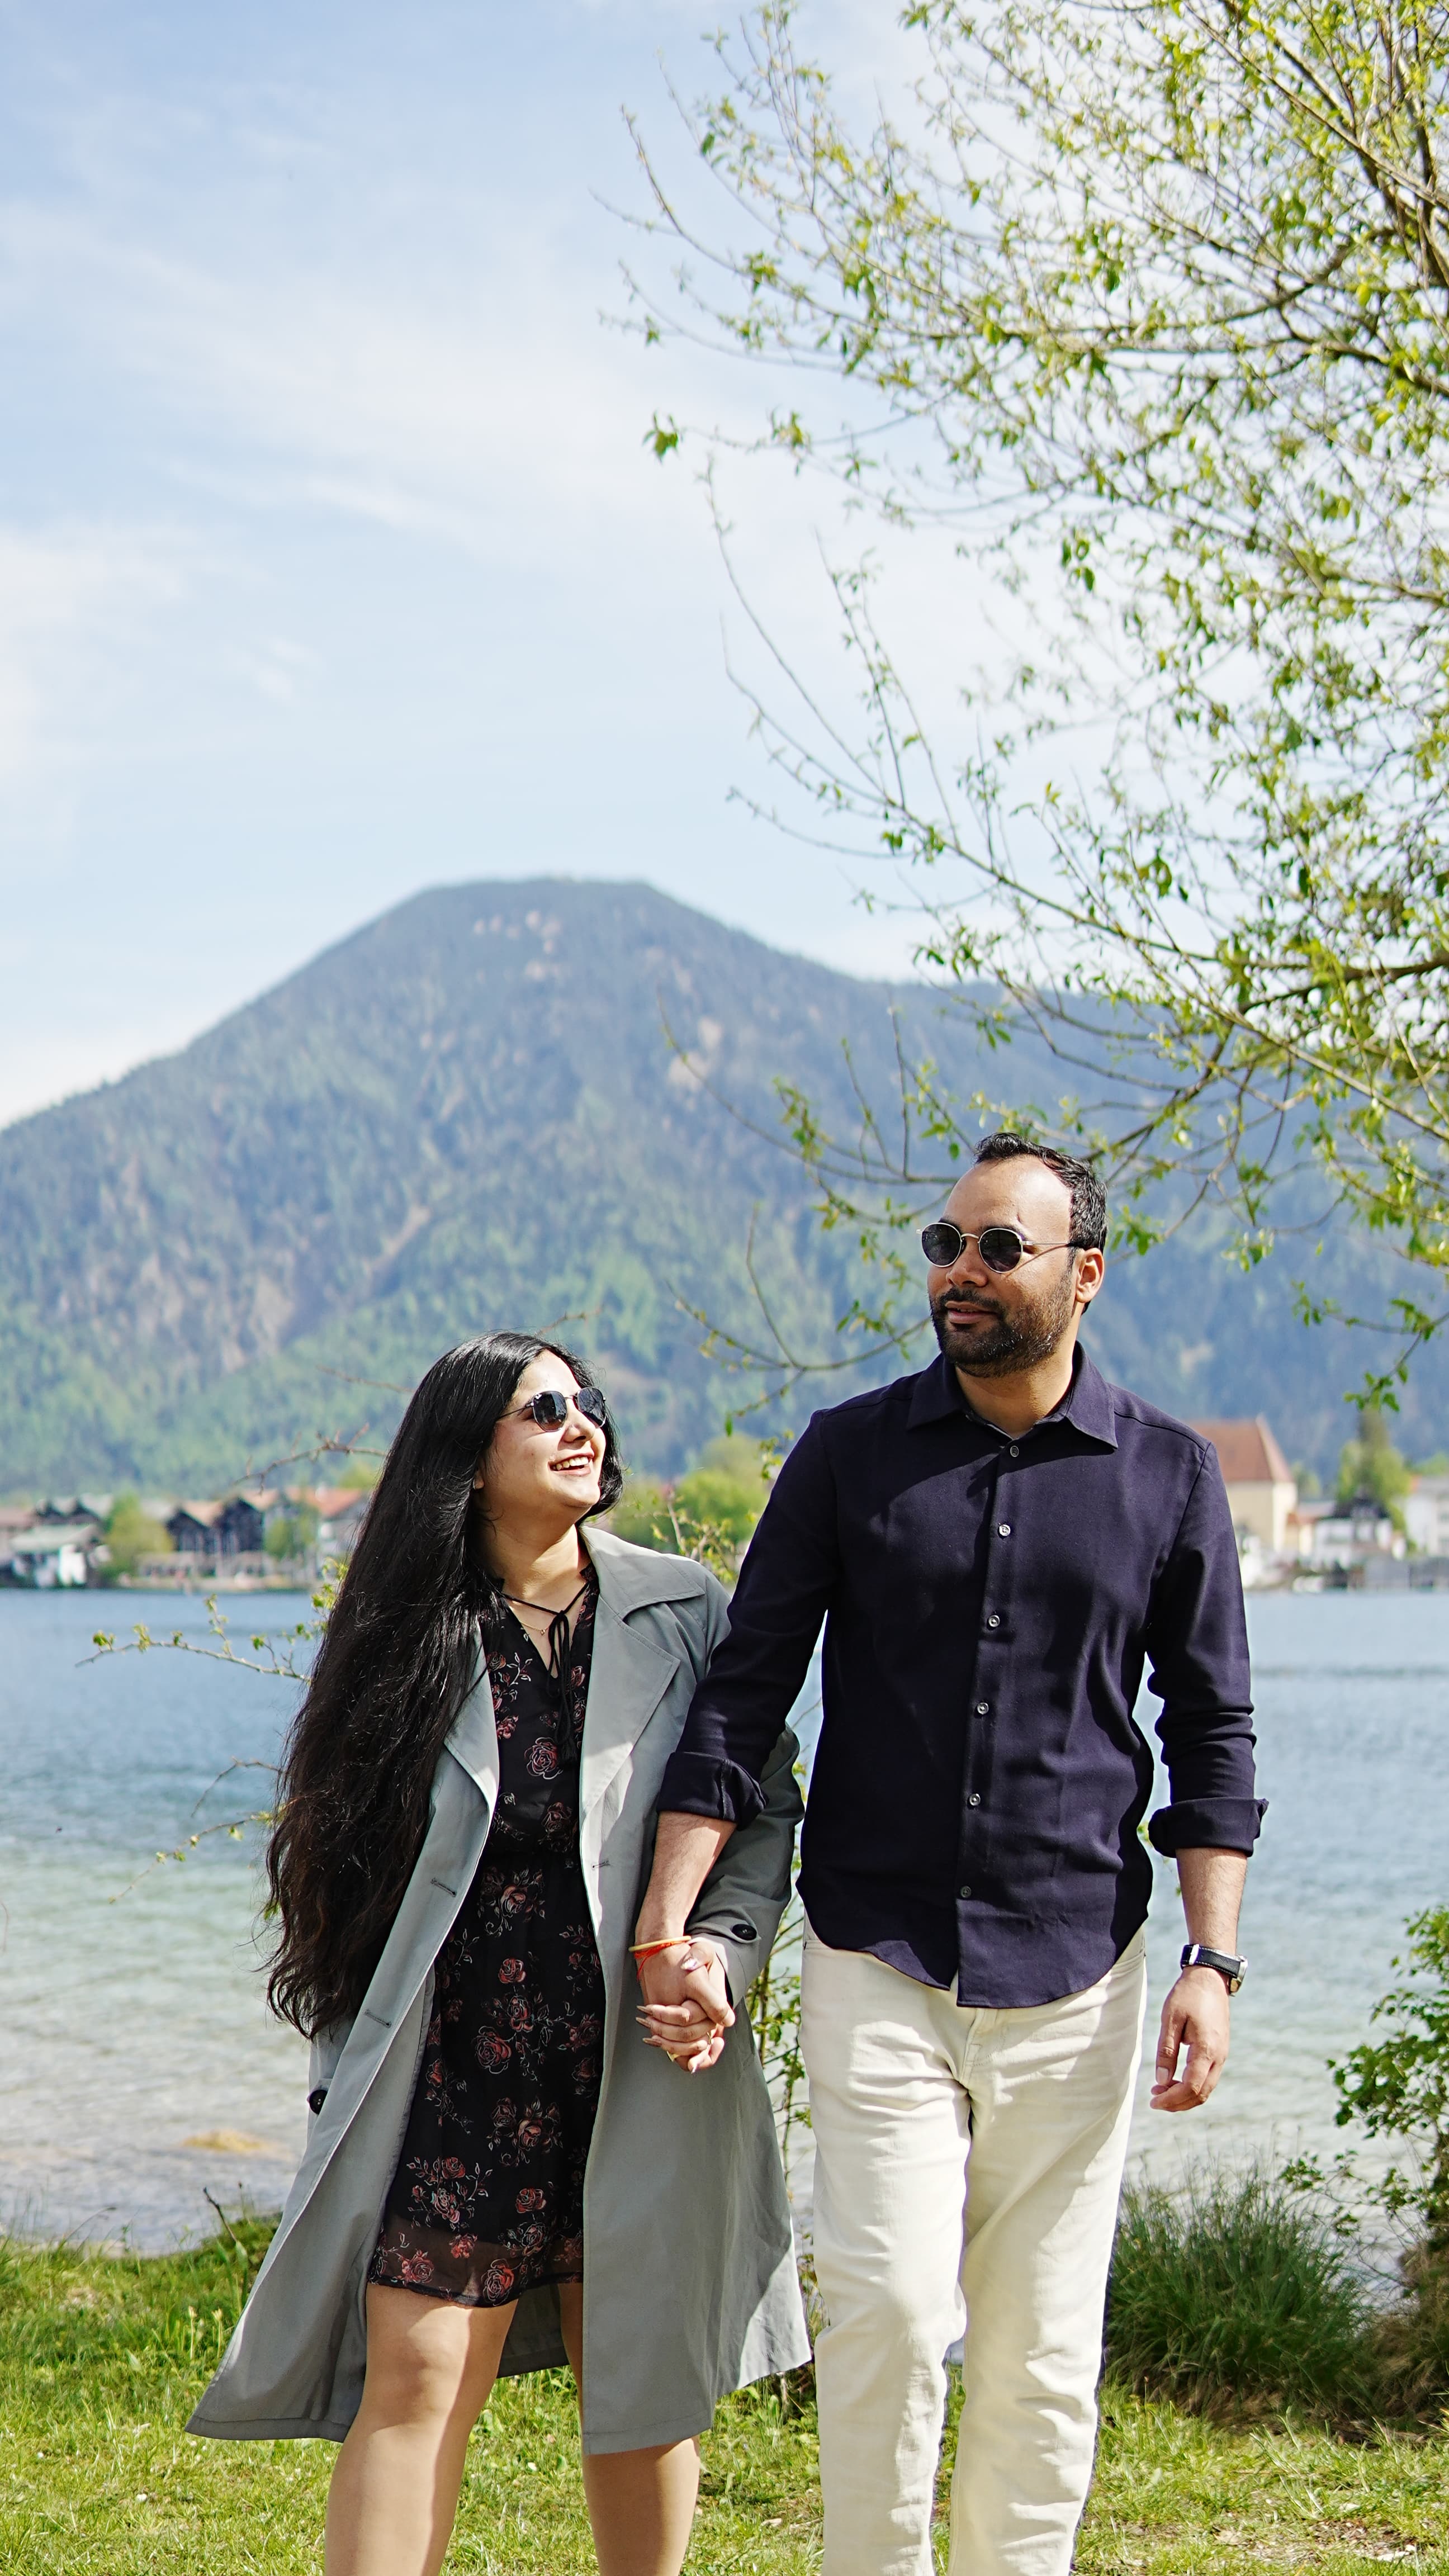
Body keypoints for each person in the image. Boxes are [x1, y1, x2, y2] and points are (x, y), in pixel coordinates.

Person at [634, 1134, 1265, 2576]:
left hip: (1080, 1971)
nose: (958, 1273)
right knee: (893, 2315)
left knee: (1043, 2357)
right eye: (944, 1244)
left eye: (997, 1249)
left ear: (1084, 1275)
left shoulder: (1169, 1475)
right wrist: (678, 1925)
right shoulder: (850, 1453)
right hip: (880, 1954)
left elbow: (1216, 1734)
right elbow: (743, 1699)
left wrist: (1211, 1961)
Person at [190, 1332, 809, 2576]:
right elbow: (342, 1876)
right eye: (544, 1410)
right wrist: (337, 2071)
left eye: (587, 1404)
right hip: (454, 2069)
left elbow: (762, 1809)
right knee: (416, 2379)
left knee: (638, 2388)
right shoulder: (407, 1630)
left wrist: (724, 1959)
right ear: (470, 1457)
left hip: (633, 2061)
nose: (583, 1425)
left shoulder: (684, 1609)